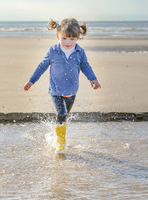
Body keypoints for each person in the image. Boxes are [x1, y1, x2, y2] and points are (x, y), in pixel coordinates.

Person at [24, 18, 101, 154]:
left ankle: (55, 136)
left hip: (72, 91)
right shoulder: (53, 51)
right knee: (61, 113)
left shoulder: (80, 52)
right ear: (57, 35)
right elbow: (42, 66)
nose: (68, 42)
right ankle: (60, 145)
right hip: (56, 91)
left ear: (78, 37)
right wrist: (32, 81)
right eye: (64, 38)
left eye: (72, 39)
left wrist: (93, 79)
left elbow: (85, 66)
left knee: (64, 117)